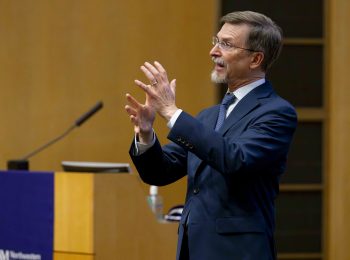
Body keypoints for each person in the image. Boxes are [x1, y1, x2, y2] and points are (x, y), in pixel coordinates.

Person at [125, 10, 297, 260]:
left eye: (226, 44)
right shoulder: (208, 116)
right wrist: (146, 132)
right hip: (192, 250)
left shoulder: (277, 112)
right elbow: (159, 173)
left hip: (237, 253)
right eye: (215, 41)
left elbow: (235, 159)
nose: (213, 51)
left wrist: (172, 113)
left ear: (255, 59)